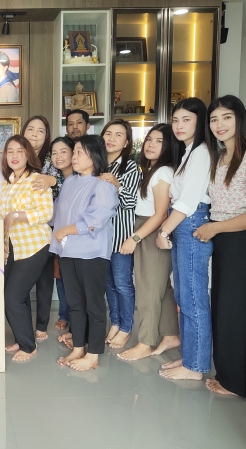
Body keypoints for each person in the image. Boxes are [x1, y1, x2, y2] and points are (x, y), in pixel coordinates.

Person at [195, 95, 246, 397]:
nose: (219, 124)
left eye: (226, 117)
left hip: (243, 240)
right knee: (223, 309)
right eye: (214, 119)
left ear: (240, 119)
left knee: (237, 311)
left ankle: (240, 383)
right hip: (222, 239)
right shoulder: (219, 157)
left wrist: (216, 227)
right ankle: (228, 374)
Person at [157, 98, 218, 381]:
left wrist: (163, 232)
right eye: (175, 120)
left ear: (199, 121)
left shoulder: (202, 152)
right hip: (183, 222)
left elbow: (188, 202)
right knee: (183, 295)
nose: (179, 126)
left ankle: (196, 366)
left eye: (186, 120)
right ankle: (191, 355)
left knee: (193, 297)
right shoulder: (189, 152)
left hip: (191, 222)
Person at [51, 135, 118, 371]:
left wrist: (65, 231)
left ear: (94, 155)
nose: (74, 156)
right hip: (67, 251)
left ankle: (93, 355)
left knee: (94, 306)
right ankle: (78, 347)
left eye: (80, 152)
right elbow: (56, 213)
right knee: (75, 304)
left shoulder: (103, 184)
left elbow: (96, 219)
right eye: (75, 151)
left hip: (92, 253)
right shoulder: (69, 182)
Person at [117, 124, 180, 362]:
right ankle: (170, 335)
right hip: (147, 227)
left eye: (159, 141)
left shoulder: (163, 172)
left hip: (151, 230)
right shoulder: (153, 170)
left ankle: (145, 342)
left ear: (169, 146)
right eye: (149, 139)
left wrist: (135, 238)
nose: (151, 144)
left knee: (148, 290)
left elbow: (161, 213)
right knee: (161, 288)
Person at [1, 135, 53, 362]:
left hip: (34, 246)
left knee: (14, 296)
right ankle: (22, 338)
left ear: (28, 154)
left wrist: (16, 215)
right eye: (10, 151)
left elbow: (46, 213)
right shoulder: (6, 183)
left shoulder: (37, 180)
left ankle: (29, 346)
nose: (14, 155)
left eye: (19, 151)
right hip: (12, 248)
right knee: (10, 296)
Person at [100, 119, 140, 349]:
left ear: (126, 143)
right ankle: (115, 323)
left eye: (118, 135)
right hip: (101, 238)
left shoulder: (130, 167)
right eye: (108, 133)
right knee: (108, 283)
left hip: (121, 236)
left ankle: (126, 328)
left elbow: (130, 202)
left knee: (122, 283)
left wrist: (117, 184)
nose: (111, 138)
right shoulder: (98, 165)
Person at [21, 116, 60, 342]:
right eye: (31, 129)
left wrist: (51, 181)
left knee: (45, 278)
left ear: (47, 136)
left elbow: (65, 181)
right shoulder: (17, 155)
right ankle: (23, 323)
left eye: (41, 131)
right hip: (19, 228)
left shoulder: (52, 158)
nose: (35, 134)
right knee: (20, 280)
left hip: (46, 227)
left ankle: (42, 324)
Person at [49, 136, 75, 332]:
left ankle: (77, 317)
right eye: (54, 153)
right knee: (60, 275)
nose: (58, 156)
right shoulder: (54, 179)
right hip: (58, 232)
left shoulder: (82, 177)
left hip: (77, 233)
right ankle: (64, 315)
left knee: (76, 278)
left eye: (63, 151)